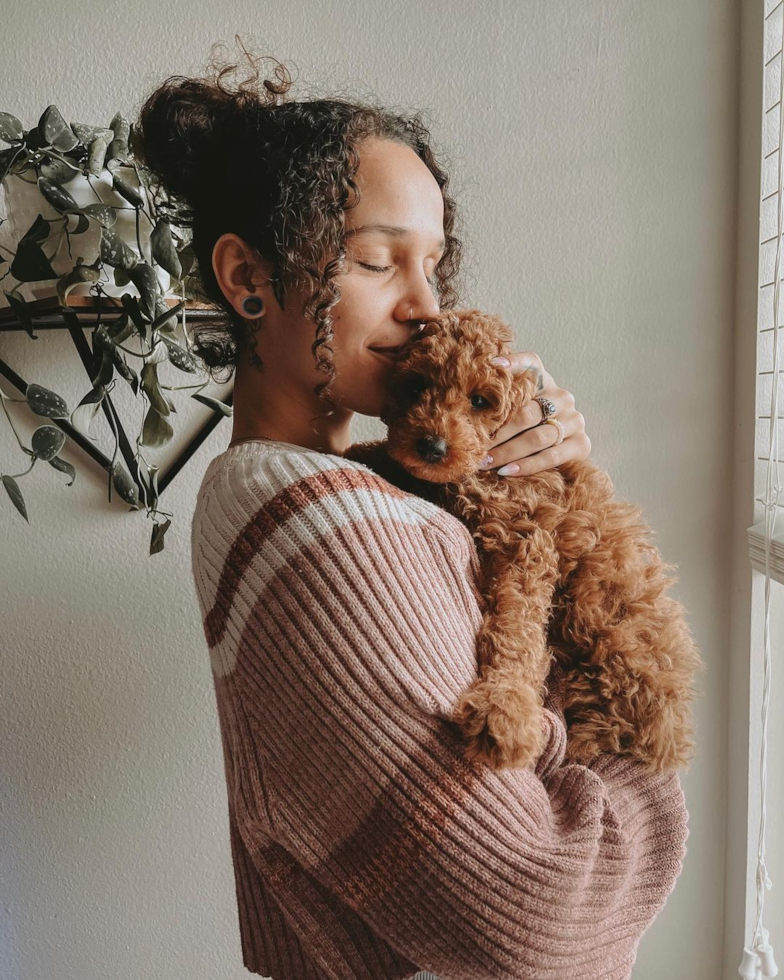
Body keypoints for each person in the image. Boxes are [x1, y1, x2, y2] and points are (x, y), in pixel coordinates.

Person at [134, 41, 689, 980]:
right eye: (376, 261)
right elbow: (541, 922)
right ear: (247, 280)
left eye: (434, 266)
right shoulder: (318, 520)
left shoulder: (345, 487)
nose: (426, 309)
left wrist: (555, 490)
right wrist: (641, 761)